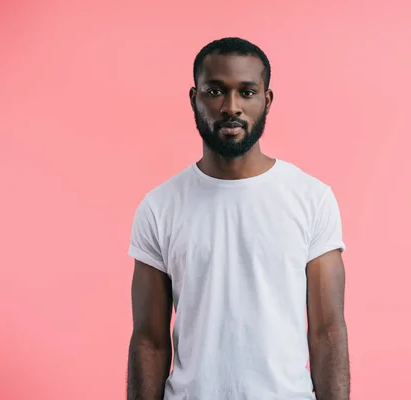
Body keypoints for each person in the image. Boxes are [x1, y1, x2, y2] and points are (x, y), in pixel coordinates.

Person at [126, 37, 350, 400]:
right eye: (215, 91)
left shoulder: (311, 198)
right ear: (194, 98)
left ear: (267, 100)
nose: (231, 107)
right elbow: (149, 341)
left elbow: (327, 331)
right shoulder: (160, 206)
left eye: (247, 92)